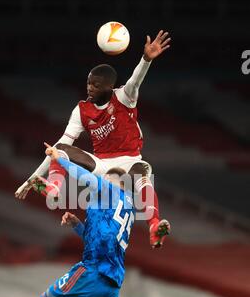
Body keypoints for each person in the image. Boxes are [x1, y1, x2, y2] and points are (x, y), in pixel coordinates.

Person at [15, 30, 171, 248]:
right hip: (101, 165)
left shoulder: (124, 96)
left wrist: (146, 59)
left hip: (129, 161)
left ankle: (154, 226)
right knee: (60, 148)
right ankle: (53, 188)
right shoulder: (81, 110)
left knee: (143, 170)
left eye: (96, 85)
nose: (90, 87)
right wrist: (29, 180)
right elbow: (58, 148)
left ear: (109, 86)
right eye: (89, 83)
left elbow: (136, 79)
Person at [27, 144, 135, 297]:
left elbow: (85, 176)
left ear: (115, 182)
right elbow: (101, 238)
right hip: (113, 282)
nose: (100, 181)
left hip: (94, 270)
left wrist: (59, 158)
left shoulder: (111, 192)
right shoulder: (124, 208)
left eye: (105, 178)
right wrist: (77, 225)